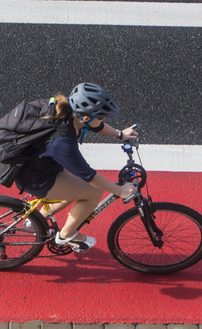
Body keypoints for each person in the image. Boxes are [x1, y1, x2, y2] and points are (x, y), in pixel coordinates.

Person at [14, 83, 140, 252]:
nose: (104, 120)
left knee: (78, 186)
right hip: (34, 176)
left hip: (39, 162)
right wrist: (120, 191)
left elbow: (96, 125)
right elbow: (89, 175)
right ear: (86, 117)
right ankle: (66, 235)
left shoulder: (68, 110)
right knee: (92, 192)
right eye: (102, 116)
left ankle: (37, 219)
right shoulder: (63, 142)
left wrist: (120, 134)